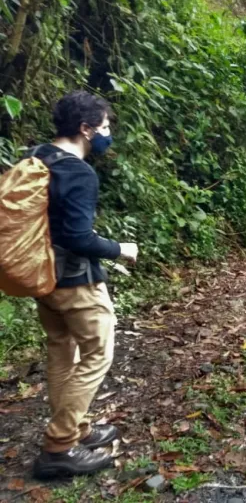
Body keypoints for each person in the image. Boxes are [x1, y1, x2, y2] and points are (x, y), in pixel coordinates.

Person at [30, 91, 139, 479]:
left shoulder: (36, 157)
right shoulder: (77, 171)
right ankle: (59, 446)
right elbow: (78, 237)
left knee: (62, 351)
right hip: (76, 281)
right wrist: (119, 248)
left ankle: (75, 429)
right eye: (105, 126)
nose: (107, 133)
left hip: (42, 276)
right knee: (98, 354)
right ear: (86, 128)